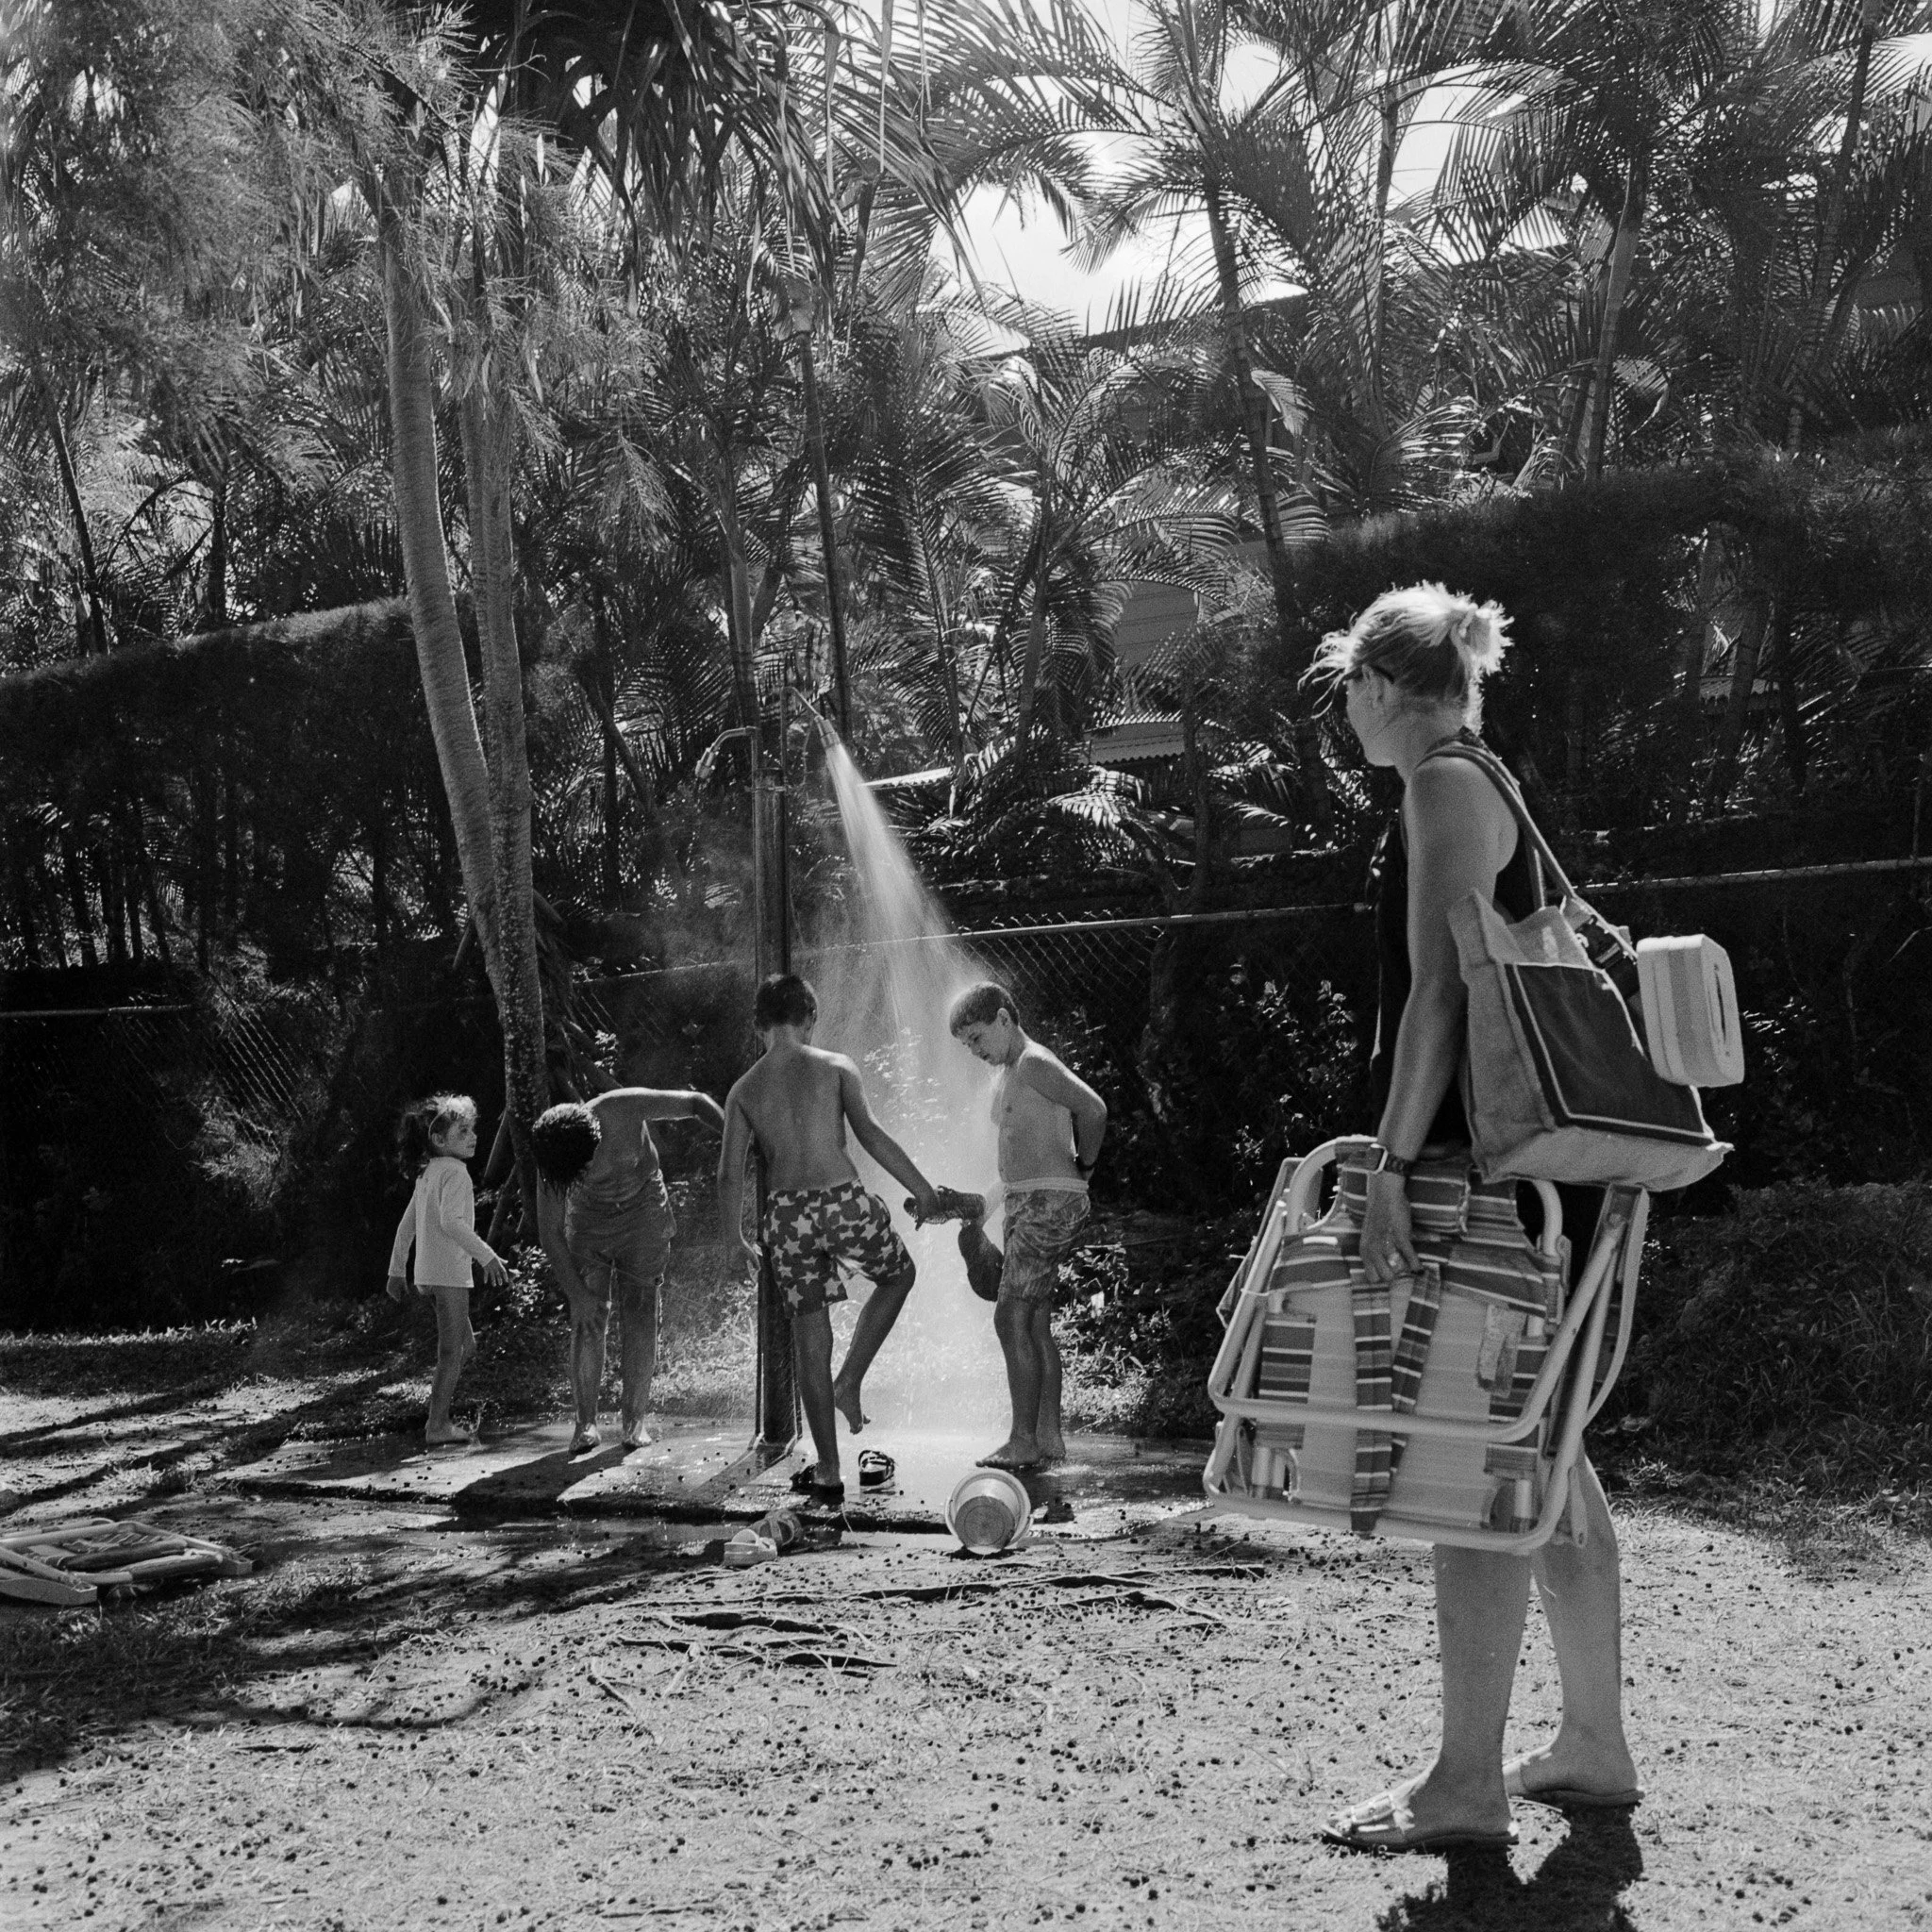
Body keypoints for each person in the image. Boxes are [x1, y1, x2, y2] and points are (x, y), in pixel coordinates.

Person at [1314, 582, 1641, 1854]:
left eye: (1347, 687)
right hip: (1529, 1170)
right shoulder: (1480, 775)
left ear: (1386, 687)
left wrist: (1392, 1164)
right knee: (1545, 1455)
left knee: (1474, 1474)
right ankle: (1595, 1745)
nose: (1344, 711)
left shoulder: (1441, 787)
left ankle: (1464, 1785)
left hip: (1477, 1167)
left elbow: (1441, 1002)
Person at [717, 973, 942, 1504]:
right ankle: (851, 1381)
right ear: (810, 1018)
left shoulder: (744, 1089)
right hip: (841, 1201)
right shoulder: (836, 1066)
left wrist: (736, 1239)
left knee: (809, 1342)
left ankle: (828, 1471)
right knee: (899, 1274)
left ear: (758, 1028)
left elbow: (729, 1174)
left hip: (787, 1217)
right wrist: (922, 1189)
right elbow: (871, 1135)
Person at [949, 981, 1108, 1472]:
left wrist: (1084, 1169)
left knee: (1009, 1316)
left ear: (1002, 1018)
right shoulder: (1008, 1075)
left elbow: (1094, 1109)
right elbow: (1011, 1170)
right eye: (966, 1045)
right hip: (1026, 1201)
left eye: (977, 1038)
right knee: (1035, 1322)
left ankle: (1021, 1441)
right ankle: (1048, 1438)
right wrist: (978, 1210)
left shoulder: (1035, 1062)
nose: (974, 1051)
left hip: (1048, 1204)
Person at [531, 1086, 725, 1455]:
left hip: (644, 1209)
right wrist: (577, 1295)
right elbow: (550, 1233)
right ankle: (585, 1424)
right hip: (589, 1223)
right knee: (589, 1317)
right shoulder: (554, 1160)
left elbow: (697, 1104)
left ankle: (635, 1421)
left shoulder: (621, 1108)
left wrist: (739, 1140)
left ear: (594, 1140)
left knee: (641, 1312)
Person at [386, 1093, 509, 1446]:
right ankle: (437, 1425)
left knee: (464, 1347)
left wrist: (397, 1271)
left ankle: (442, 1414)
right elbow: (452, 1223)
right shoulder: (455, 1173)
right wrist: (487, 1255)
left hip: (428, 1274)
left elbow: (406, 1226)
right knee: (450, 1353)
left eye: (473, 1129)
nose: (473, 1137)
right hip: (448, 1275)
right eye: (463, 1131)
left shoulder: (428, 1175)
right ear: (438, 1140)